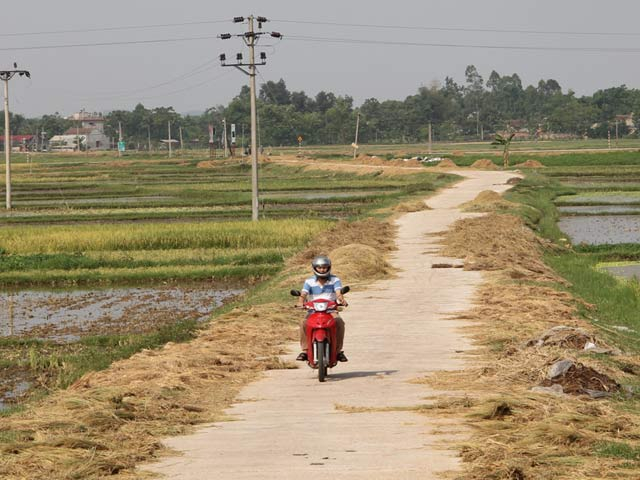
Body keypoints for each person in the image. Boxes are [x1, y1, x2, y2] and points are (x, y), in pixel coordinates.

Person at [296, 255, 348, 362]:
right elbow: (304, 293)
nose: (322, 269)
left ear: (329, 267)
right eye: (319, 267)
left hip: (330, 310)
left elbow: (338, 292)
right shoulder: (309, 281)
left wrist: (341, 300)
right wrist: (300, 302)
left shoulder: (335, 280)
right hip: (313, 310)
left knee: (339, 322)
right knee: (303, 323)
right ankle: (305, 351)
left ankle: (338, 351)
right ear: (315, 268)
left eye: (324, 267)